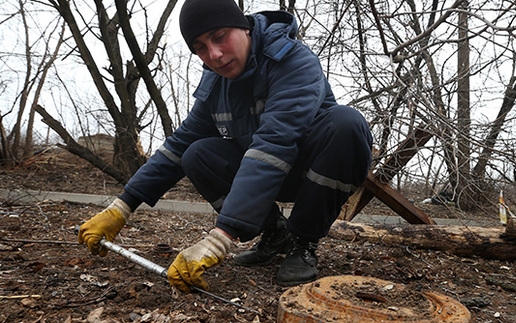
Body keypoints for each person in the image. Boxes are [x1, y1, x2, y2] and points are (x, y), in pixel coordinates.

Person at [78, 0, 373, 292]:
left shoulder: (294, 61)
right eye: (201, 48)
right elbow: (178, 145)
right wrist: (122, 206)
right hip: (263, 178)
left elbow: (275, 142)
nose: (215, 55)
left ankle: (302, 241)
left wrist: (221, 237)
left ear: (244, 28)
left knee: (346, 124)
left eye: (219, 37)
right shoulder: (216, 86)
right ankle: (275, 233)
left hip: (310, 173)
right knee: (197, 153)